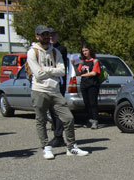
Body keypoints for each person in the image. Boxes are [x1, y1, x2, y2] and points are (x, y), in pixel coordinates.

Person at [27, 25, 88, 159]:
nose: (47, 37)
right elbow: (37, 73)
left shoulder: (56, 52)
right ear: (37, 36)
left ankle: (71, 147)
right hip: (39, 90)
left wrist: (47, 70)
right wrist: (52, 71)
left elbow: (62, 70)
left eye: (48, 34)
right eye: (43, 35)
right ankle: (46, 147)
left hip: (55, 90)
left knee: (68, 118)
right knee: (41, 120)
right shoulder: (33, 52)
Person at [47, 28, 68, 148]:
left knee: (58, 110)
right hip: (48, 83)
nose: (51, 37)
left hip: (58, 83)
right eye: (49, 35)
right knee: (51, 110)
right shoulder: (46, 49)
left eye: (53, 35)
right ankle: (56, 133)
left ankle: (59, 136)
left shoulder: (60, 49)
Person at [76, 43, 102, 129]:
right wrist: (73, 65)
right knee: (86, 103)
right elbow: (78, 73)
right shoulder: (82, 62)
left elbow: (94, 72)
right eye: (83, 51)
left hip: (92, 84)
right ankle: (89, 120)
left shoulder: (95, 61)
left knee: (93, 103)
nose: (84, 52)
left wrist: (84, 75)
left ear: (90, 50)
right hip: (84, 84)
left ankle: (95, 120)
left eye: (86, 50)